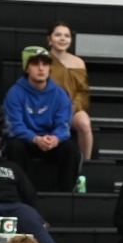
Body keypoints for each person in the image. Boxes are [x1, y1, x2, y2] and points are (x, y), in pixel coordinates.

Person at [1, 46, 78, 193]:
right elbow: (14, 126)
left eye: (45, 64)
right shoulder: (15, 93)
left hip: (51, 142)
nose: (41, 68)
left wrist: (55, 138)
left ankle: (66, 195)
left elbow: (63, 125)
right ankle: (19, 192)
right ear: (27, 68)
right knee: (14, 146)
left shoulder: (60, 94)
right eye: (35, 64)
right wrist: (35, 139)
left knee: (70, 149)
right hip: (27, 142)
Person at [45, 22, 94, 162]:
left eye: (66, 36)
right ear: (49, 39)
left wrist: (72, 107)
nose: (62, 39)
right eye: (58, 35)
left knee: (84, 123)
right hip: (50, 108)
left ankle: (86, 163)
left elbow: (83, 91)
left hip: (73, 108)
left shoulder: (79, 62)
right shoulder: (43, 61)